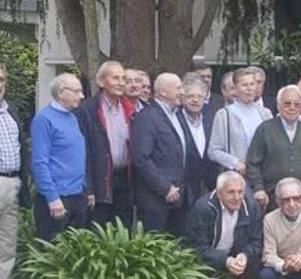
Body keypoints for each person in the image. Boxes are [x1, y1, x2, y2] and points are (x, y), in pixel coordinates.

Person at [186, 171, 262, 279]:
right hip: (208, 255)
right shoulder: (202, 208)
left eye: (240, 192)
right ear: (219, 193)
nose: (237, 197)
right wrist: (225, 261)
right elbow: (197, 247)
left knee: (254, 258)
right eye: (231, 192)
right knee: (193, 259)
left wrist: (244, 256)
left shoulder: (252, 207)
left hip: (236, 254)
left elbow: (256, 241)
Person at [76, 61, 138, 230]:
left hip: (125, 180)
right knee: (97, 232)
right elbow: (84, 152)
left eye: (123, 78)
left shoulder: (130, 109)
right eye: (115, 78)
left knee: (124, 231)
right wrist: (88, 188)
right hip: (100, 180)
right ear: (101, 82)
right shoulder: (87, 110)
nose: (121, 82)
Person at [247, 85, 301, 211]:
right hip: (273, 200)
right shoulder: (265, 129)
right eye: (287, 103)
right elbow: (252, 163)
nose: (292, 108)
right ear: (278, 105)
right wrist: (258, 189)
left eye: (296, 104)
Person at [31, 73, 88, 241]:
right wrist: (52, 197)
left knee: (76, 253)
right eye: (77, 91)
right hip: (57, 199)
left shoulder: (72, 117)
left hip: (78, 195)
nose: (82, 96)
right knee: (52, 253)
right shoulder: (44, 119)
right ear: (62, 93)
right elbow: (40, 162)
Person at [131, 73, 188, 236]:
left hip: (178, 197)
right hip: (156, 199)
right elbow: (141, 158)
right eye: (178, 88)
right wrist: (164, 187)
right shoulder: (147, 117)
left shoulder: (177, 115)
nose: (182, 92)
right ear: (163, 91)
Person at [0, 64, 29, 279]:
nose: (0, 84)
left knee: (7, 248)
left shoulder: (11, 112)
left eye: (1, 79)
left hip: (12, 184)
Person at [208, 68, 273, 175]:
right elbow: (213, 151)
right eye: (244, 85)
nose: (249, 89)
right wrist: (234, 162)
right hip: (236, 177)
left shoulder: (266, 114)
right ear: (236, 89)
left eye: (252, 84)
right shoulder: (224, 115)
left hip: (262, 176)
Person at [178, 74, 218, 205]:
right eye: (190, 96)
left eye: (199, 97)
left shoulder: (211, 118)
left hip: (208, 183)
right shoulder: (175, 119)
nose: (195, 100)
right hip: (183, 184)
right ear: (182, 98)